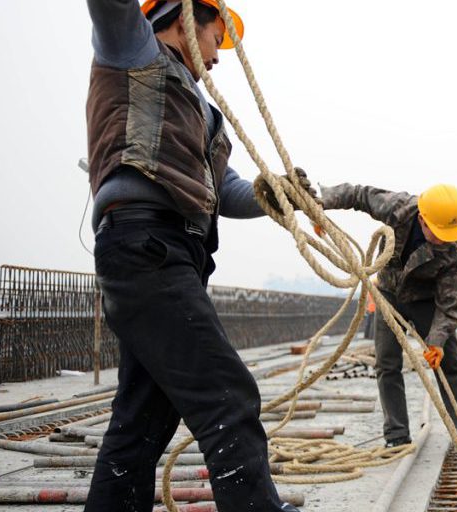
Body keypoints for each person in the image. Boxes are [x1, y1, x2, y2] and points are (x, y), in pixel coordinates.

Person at [84, 1, 312, 511]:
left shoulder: (205, 113)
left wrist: (274, 193)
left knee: (143, 418)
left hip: (171, 254)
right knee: (228, 397)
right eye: (216, 37)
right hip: (146, 246)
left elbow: (226, 192)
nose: (218, 55)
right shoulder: (132, 49)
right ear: (184, 18)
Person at [316, 183, 457, 453]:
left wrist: (437, 341)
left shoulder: (452, 250)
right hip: (390, 293)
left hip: (426, 301)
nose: (443, 240)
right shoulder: (398, 209)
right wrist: (322, 205)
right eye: (438, 234)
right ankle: (397, 436)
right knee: (387, 364)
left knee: (450, 365)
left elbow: (447, 306)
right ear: (421, 219)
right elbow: (358, 195)